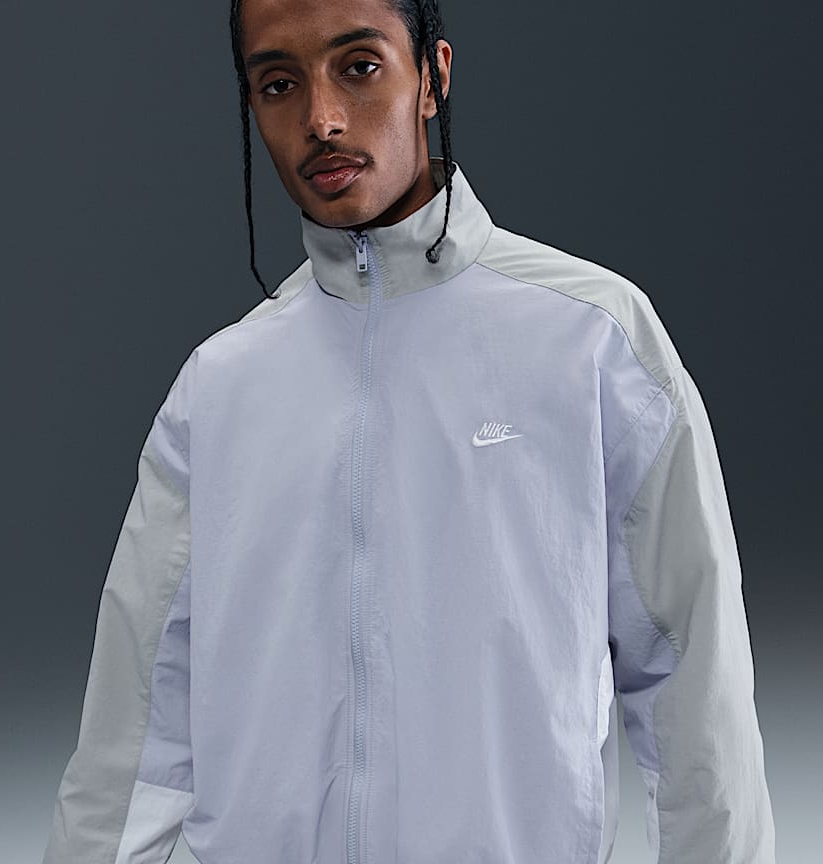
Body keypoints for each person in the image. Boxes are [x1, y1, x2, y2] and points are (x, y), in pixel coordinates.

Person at [41, 1, 777, 862]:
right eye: (278, 84)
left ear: (432, 77)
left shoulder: (592, 339)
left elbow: (693, 677)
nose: (321, 118)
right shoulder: (219, 387)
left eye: (359, 67)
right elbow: (135, 727)